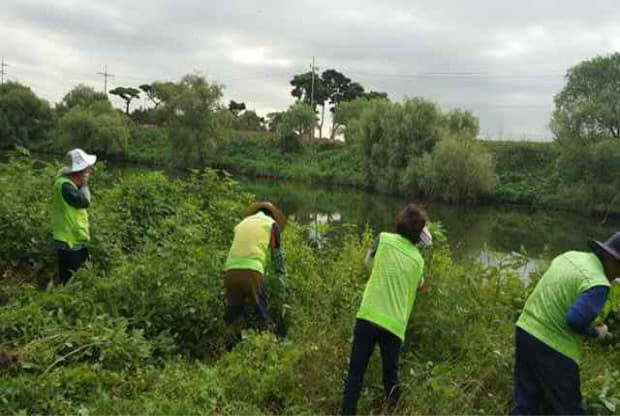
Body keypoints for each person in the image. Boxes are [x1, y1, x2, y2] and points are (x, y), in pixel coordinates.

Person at [511, 232, 620, 414]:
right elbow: (574, 321)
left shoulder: (571, 257)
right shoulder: (598, 283)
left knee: (525, 403)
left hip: (525, 330)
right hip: (554, 347)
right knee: (570, 409)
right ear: (611, 258)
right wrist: (596, 333)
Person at [341, 204, 432, 415]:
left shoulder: (383, 239)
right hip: (394, 325)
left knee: (355, 373)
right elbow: (420, 285)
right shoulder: (418, 260)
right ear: (420, 233)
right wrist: (426, 242)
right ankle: (392, 410)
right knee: (390, 377)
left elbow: (367, 262)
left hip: (369, 316)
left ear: (400, 222)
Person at [223, 202, 286, 347]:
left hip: (230, 270)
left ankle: (230, 348)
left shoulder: (242, 223)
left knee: (233, 313)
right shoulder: (272, 224)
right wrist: (280, 273)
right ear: (272, 215)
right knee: (261, 311)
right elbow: (276, 253)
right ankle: (268, 346)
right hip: (252, 271)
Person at [52, 148, 96, 285]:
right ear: (78, 171)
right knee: (70, 280)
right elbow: (85, 202)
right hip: (68, 240)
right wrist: (85, 184)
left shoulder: (68, 183)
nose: (90, 171)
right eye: (87, 169)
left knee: (80, 274)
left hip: (75, 238)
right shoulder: (66, 186)